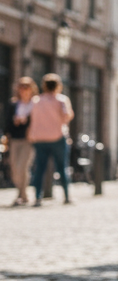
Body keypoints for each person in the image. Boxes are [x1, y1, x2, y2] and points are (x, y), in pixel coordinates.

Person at [28, 73, 74, 206]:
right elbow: (67, 115)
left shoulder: (36, 101)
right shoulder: (61, 100)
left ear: (44, 86)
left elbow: (31, 118)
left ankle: (37, 197)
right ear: (58, 86)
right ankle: (66, 196)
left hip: (39, 138)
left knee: (39, 169)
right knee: (62, 167)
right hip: (57, 137)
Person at [5, 77, 37, 205]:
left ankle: (21, 195)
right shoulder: (13, 104)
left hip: (29, 139)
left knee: (22, 167)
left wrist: (27, 122)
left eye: (26, 87)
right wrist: (14, 122)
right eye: (21, 87)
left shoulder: (35, 103)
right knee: (14, 168)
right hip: (15, 139)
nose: (24, 90)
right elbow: (6, 122)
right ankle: (22, 193)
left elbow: (38, 121)